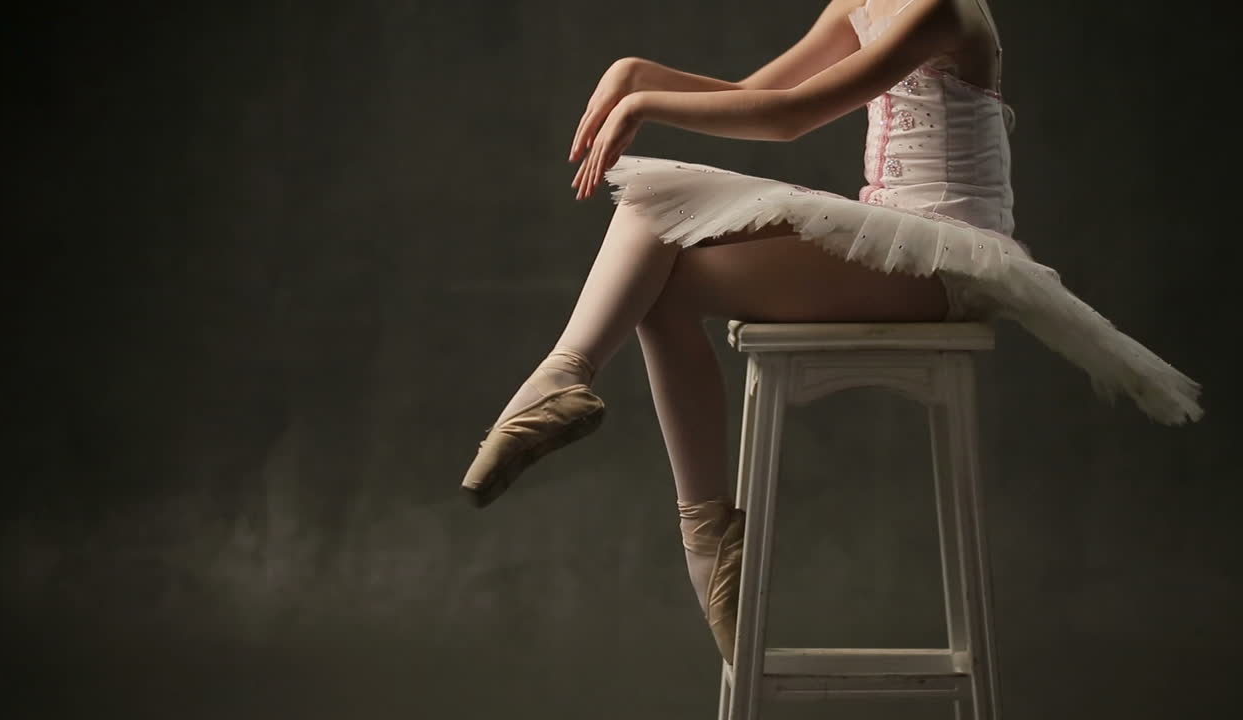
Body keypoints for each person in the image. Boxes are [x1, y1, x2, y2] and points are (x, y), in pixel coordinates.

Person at [459, 0, 1204, 666]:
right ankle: (709, 530)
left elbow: (789, 119)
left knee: (653, 206)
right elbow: (761, 93)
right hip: (891, 247)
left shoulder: (943, 11)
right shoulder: (857, 2)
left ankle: (567, 386)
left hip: (945, 262)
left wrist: (647, 104)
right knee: (655, 276)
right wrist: (636, 71)